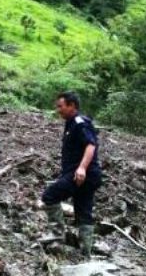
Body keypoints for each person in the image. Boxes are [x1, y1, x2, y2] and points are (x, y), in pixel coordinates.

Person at [41, 91, 103, 257]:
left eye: (60, 106)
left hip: (83, 174)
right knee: (84, 211)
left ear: (72, 106)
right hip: (85, 175)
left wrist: (82, 168)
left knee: (49, 196)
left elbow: (91, 146)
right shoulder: (70, 123)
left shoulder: (79, 122)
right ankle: (86, 252)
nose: (58, 109)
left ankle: (56, 233)